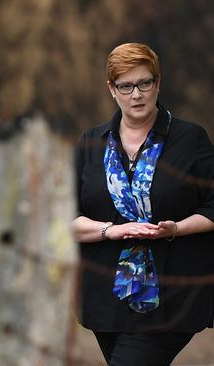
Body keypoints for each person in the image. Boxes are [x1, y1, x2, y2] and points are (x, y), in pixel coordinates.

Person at [73, 42, 214, 365]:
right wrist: (111, 230)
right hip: (105, 299)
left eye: (144, 83)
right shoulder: (91, 143)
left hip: (172, 296)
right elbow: (66, 219)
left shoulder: (190, 140)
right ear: (112, 89)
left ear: (157, 83)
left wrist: (175, 228)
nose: (136, 94)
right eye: (126, 85)